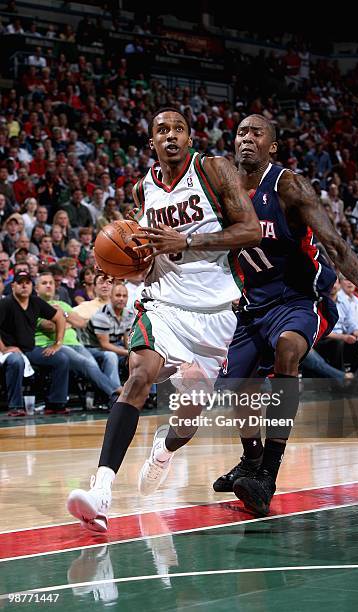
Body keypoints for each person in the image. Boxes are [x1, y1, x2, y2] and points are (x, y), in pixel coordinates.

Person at [67, 107, 261, 532]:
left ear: (189, 138)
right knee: (139, 376)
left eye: (178, 129)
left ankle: (164, 451)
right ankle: (101, 489)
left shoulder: (214, 170)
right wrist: (122, 266)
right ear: (151, 142)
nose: (170, 135)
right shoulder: (143, 190)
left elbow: (250, 230)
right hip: (164, 305)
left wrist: (188, 239)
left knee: (188, 415)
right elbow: (145, 254)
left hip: (218, 315)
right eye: (161, 130)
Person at [211, 114, 358, 516]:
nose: (247, 138)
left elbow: (334, 242)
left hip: (303, 298)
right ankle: (251, 460)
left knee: (287, 350)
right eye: (241, 132)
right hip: (254, 303)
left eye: (256, 133)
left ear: (272, 146)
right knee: (236, 386)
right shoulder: (222, 188)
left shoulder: (288, 186)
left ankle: (268, 475)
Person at [34, 272, 122, 402]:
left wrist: (62, 314)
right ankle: (117, 392)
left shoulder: (62, 304)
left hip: (76, 344)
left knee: (104, 359)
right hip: (55, 345)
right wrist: (66, 321)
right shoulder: (34, 305)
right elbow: (50, 326)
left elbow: (81, 323)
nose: (48, 286)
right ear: (36, 289)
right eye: (44, 283)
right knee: (87, 363)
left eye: (51, 283)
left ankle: (110, 397)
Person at [0, 270, 69, 414]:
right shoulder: (5, 303)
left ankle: (56, 404)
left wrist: (58, 343)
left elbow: (60, 318)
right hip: (6, 351)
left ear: (31, 286)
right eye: (20, 283)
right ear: (13, 286)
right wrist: (4, 348)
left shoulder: (36, 302)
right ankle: (15, 406)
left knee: (61, 359)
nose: (24, 286)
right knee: (16, 361)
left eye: (27, 283)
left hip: (29, 350)